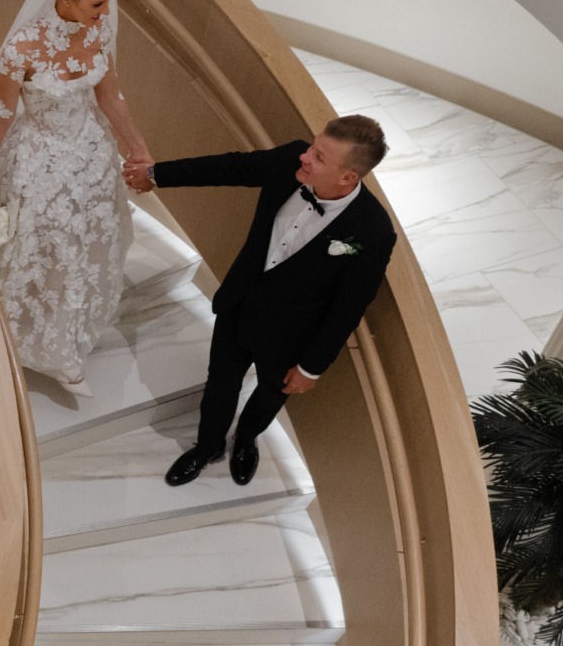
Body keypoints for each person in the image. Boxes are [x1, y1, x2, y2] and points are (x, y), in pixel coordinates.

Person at [128, 116, 395, 487]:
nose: (305, 157)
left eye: (319, 157)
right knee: (220, 386)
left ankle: (246, 439)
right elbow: (229, 167)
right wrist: (155, 174)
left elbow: (348, 307)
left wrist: (311, 368)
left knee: (270, 396)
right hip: (239, 306)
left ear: (347, 177)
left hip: (291, 337)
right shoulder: (290, 160)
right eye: (312, 146)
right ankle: (207, 447)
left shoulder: (373, 231)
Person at [0, 0, 152, 395]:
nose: (105, 14)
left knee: (87, 245)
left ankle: (69, 341)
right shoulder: (21, 49)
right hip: (39, 160)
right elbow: (3, 115)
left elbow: (110, 97)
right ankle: (27, 341)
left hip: (90, 155)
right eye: (97, 4)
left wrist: (138, 149)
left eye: (108, 2)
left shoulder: (98, 34)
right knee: (47, 248)